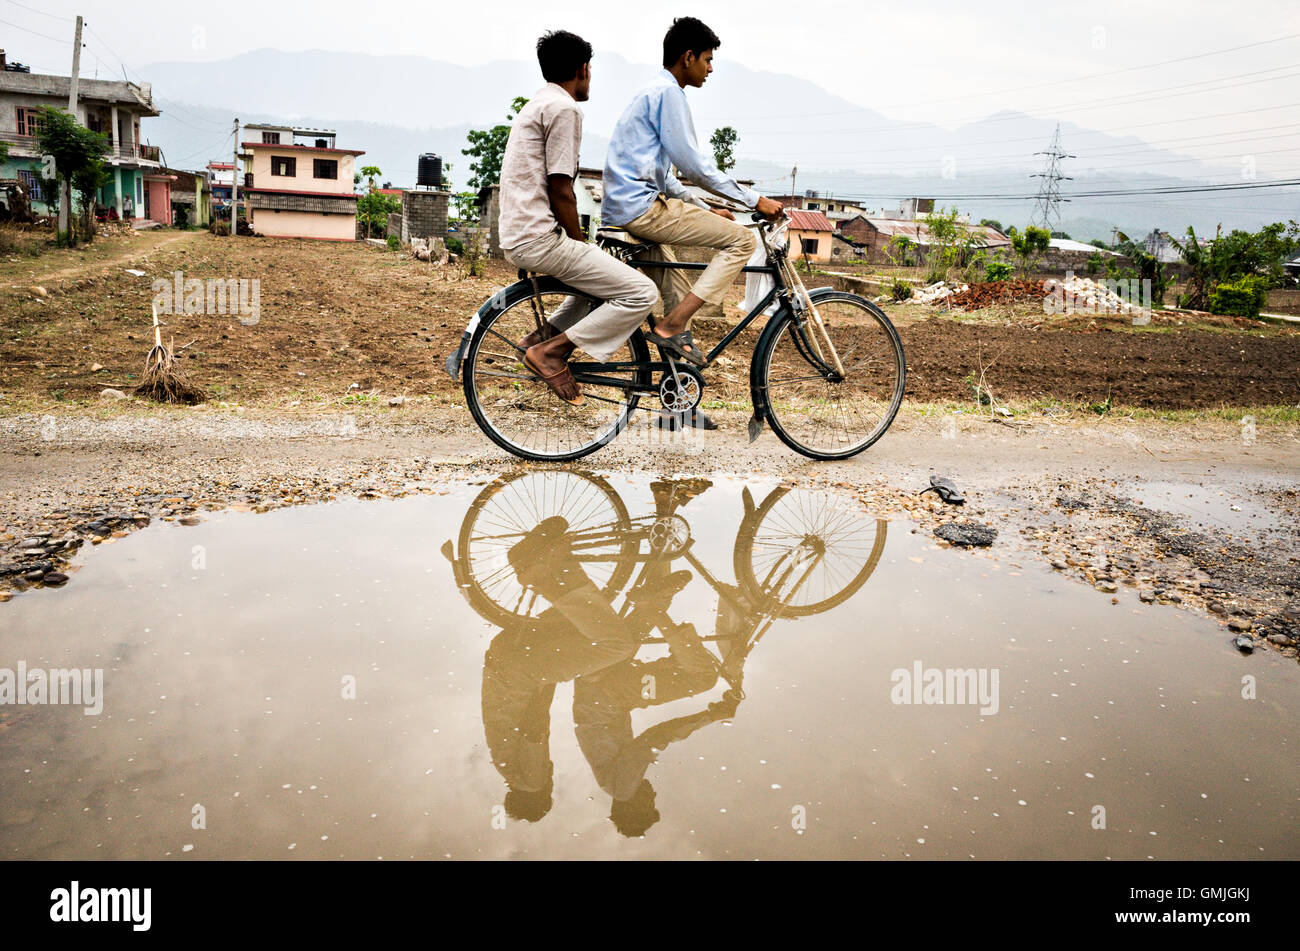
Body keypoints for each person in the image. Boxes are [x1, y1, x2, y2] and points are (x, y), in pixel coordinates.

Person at [602, 17, 783, 369]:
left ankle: (677, 400)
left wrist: (705, 209)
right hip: (642, 209)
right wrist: (754, 199)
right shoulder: (669, 94)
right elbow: (694, 168)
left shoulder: (653, 92)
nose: (710, 68)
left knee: (678, 293)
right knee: (743, 242)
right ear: (688, 57)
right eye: (707, 59)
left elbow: (666, 177)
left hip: (630, 205)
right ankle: (670, 327)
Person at [497, 30, 659, 405]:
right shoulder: (565, 109)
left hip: (519, 234)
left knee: (596, 285)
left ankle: (540, 338)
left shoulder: (537, 103)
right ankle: (551, 352)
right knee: (641, 292)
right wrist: (577, 239)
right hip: (539, 237)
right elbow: (561, 187)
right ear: (583, 69)